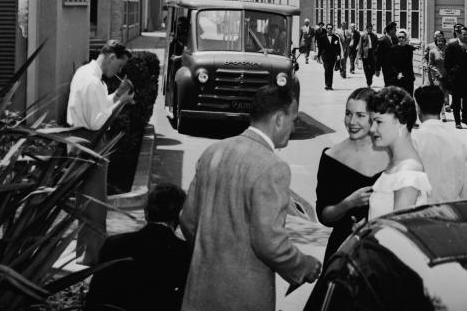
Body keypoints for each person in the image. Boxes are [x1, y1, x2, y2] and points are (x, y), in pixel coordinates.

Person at [180, 85, 320, 311]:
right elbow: (270, 243)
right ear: (278, 119)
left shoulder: (213, 151)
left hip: (200, 293)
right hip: (243, 298)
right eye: (294, 120)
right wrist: (304, 266)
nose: (294, 127)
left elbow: (187, 219)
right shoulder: (273, 167)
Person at [67, 40, 135, 264]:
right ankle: (91, 257)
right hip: (91, 142)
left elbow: (97, 108)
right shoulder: (94, 83)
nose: (119, 71)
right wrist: (122, 101)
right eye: (119, 66)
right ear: (112, 57)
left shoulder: (85, 73)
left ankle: (84, 253)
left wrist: (116, 95)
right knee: (94, 203)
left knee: (85, 200)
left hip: (79, 140)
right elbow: (98, 122)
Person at [85, 183, 192, 311]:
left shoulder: (113, 243)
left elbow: (96, 295)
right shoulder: (184, 252)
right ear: (179, 217)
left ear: (146, 212)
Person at [315, 88, 388, 263]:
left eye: (360, 115)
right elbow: (324, 216)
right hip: (343, 254)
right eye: (348, 114)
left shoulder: (393, 154)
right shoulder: (331, 157)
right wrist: (348, 203)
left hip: (383, 254)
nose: (352, 121)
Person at [367, 86, 431, 219]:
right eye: (372, 122)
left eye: (378, 122)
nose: (372, 129)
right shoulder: (397, 165)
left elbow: (396, 235)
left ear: (401, 122)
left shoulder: (407, 174)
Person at [412, 85, 467, 203]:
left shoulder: (411, 142)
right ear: (442, 106)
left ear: (418, 108)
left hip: (419, 215)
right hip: (449, 214)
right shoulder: (459, 144)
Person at [444, 25, 467, 129]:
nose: (466, 36)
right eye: (464, 34)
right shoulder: (452, 45)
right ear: (459, 34)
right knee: (456, 100)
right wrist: (452, 73)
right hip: (456, 78)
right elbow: (447, 63)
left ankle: (465, 119)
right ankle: (457, 121)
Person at [422, 30, 449, 120]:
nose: (438, 38)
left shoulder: (447, 47)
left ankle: (445, 106)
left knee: (444, 91)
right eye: (436, 36)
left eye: (439, 36)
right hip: (432, 73)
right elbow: (426, 59)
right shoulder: (430, 47)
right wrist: (425, 65)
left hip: (444, 73)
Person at [391, 28, 416, 95]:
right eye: (399, 37)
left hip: (408, 76)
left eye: (403, 37)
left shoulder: (409, 49)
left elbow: (410, 63)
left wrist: (412, 75)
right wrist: (397, 73)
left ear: (405, 38)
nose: (401, 39)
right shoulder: (393, 49)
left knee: (409, 95)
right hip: (398, 76)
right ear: (397, 38)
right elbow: (392, 64)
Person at [318, 23, 342, 91]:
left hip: (332, 57)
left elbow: (338, 47)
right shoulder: (322, 37)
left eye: (331, 28)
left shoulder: (336, 38)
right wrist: (318, 56)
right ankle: (327, 84)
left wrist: (338, 55)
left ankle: (330, 85)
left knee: (330, 70)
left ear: (332, 29)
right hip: (325, 56)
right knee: (326, 69)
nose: (329, 30)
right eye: (328, 28)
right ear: (326, 29)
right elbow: (320, 48)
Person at [376, 22, 397, 87]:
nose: (396, 31)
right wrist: (377, 69)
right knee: (388, 85)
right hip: (386, 68)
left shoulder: (395, 39)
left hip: (396, 68)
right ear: (390, 31)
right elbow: (379, 56)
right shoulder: (382, 40)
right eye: (394, 29)